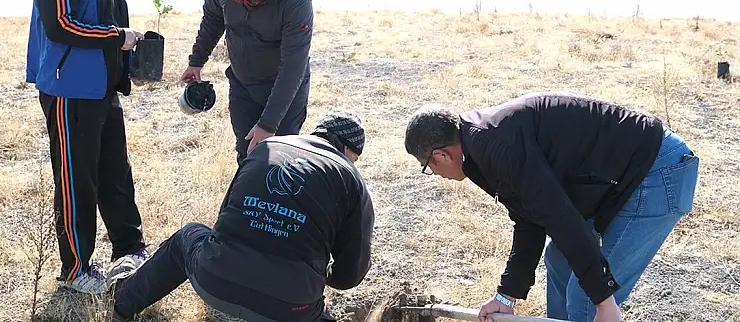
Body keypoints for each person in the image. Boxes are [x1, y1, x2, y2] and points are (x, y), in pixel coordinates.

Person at [403, 92, 699, 322]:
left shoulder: (495, 147)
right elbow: (530, 219)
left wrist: (605, 303)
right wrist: (506, 296)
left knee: (586, 299)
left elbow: (559, 216)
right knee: (559, 261)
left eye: (427, 166)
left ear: (441, 156)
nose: (434, 172)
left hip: (656, 171)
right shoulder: (479, 150)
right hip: (625, 175)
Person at [108, 109, 375, 322]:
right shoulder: (352, 180)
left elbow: (223, 222)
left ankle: (121, 303)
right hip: (293, 308)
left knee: (186, 237)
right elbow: (349, 276)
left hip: (215, 279)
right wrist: (320, 271)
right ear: (347, 150)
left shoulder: (266, 148)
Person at [24, 0, 150, 295]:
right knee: (77, 181)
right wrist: (118, 37)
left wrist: (130, 57)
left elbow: (110, 26)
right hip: (69, 94)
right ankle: (76, 270)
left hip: (102, 91)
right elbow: (61, 26)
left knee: (116, 173)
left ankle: (130, 250)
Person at [180, 0, 313, 164]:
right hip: (243, 85)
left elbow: (293, 68)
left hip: (284, 90)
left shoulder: (297, 2)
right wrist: (197, 61)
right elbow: (212, 19)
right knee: (246, 154)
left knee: (279, 158)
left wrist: (268, 125)